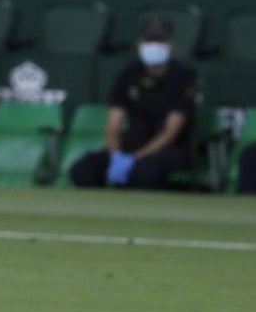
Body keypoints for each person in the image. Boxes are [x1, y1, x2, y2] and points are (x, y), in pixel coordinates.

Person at [69, 16, 198, 190]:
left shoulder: (183, 76)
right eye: (149, 41)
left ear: (170, 44)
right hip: (130, 145)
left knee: (143, 173)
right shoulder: (129, 74)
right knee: (83, 170)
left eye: (159, 41)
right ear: (140, 44)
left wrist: (138, 157)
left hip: (169, 150)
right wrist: (116, 155)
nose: (154, 45)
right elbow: (113, 125)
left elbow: (170, 132)